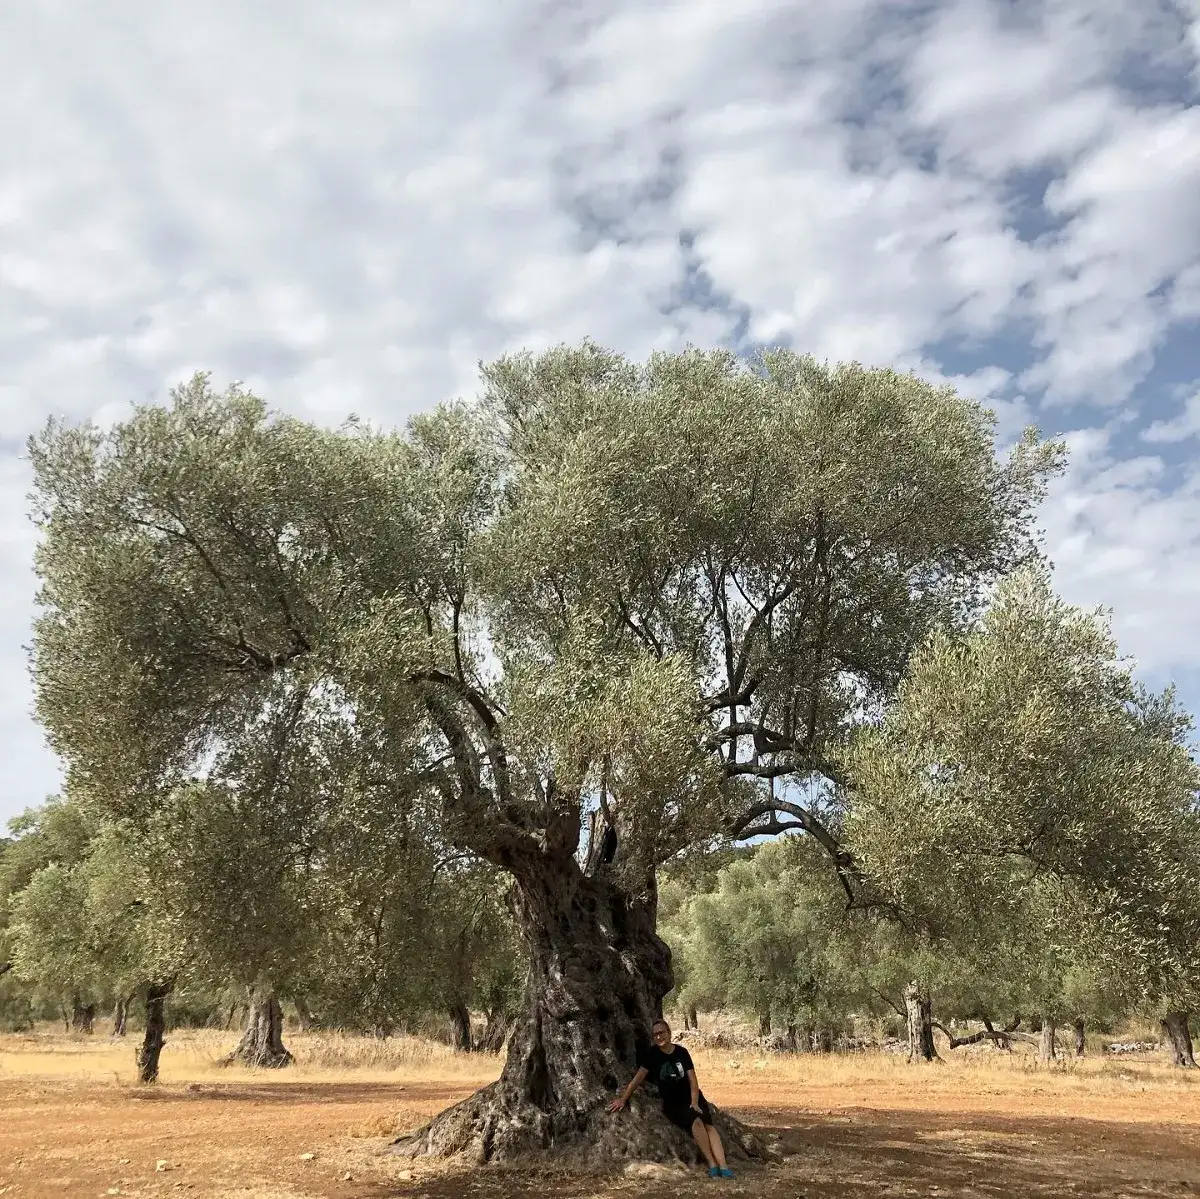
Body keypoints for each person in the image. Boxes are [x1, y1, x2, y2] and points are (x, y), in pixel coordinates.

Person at [607, 1017, 735, 1179]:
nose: (659, 1037)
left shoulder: (682, 1052)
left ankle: (723, 1166)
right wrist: (623, 1099)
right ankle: (712, 1163)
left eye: (661, 1033)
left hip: (692, 1096)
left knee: (709, 1126)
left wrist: (694, 1102)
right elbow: (637, 1079)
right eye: (655, 1035)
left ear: (669, 1033)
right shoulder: (652, 1055)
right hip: (673, 1102)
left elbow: (693, 1081)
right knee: (696, 1121)